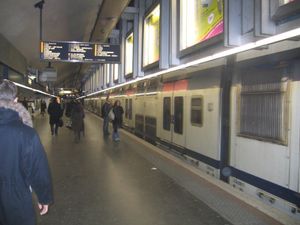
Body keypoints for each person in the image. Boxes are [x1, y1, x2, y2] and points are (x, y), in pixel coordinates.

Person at [0, 80, 53, 225]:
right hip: (16, 199)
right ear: (16, 100)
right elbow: (37, 169)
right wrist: (44, 197)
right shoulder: (27, 133)